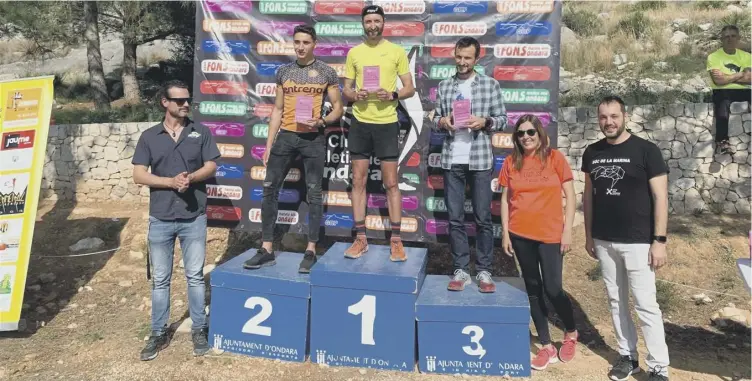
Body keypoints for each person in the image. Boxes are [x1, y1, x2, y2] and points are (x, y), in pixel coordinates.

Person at [582, 96, 670, 381]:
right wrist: (588, 235)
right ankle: (627, 356)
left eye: (614, 116)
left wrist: (659, 240)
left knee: (646, 303)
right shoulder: (592, 152)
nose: (609, 122)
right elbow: (588, 196)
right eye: (604, 117)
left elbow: (660, 197)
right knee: (616, 300)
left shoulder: (647, 151)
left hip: (639, 242)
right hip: (604, 240)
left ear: (625, 116)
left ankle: (658, 367)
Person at [132, 80, 221, 360]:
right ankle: (158, 332)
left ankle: (199, 329)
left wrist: (192, 177)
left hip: (193, 217)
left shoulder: (201, 132)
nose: (185, 105)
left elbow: (212, 165)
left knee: (195, 277)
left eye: (187, 100)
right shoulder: (149, 136)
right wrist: (170, 182)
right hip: (160, 218)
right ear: (165, 102)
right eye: (179, 100)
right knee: (160, 280)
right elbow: (138, 175)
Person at [243, 25, 343, 273]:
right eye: (297, 42)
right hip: (286, 137)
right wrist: (268, 145)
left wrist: (322, 121)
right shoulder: (283, 71)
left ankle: (310, 250)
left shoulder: (326, 72)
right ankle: (267, 249)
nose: (300, 47)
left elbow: (339, 108)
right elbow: (277, 110)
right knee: (269, 189)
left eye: (306, 42)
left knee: (314, 193)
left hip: (313, 138)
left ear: (314, 44)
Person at [499, 115, 578, 370]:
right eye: (521, 133)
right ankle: (546, 344)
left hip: (551, 235)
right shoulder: (511, 162)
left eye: (531, 132)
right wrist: (506, 232)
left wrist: (567, 231)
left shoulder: (555, 158)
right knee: (533, 288)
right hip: (521, 235)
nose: (526, 137)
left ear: (540, 133)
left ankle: (571, 332)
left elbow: (570, 195)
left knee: (553, 288)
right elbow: (504, 199)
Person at [432, 36, 508, 292]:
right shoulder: (444, 86)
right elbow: (435, 119)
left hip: (480, 160)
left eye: (467, 58)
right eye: (458, 56)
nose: (462, 62)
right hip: (452, 158)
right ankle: (461, 269)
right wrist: (443, 122)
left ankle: (484, 271)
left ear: (477, 59)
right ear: (454, 55)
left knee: (483, 218)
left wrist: (484, 121)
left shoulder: (490, 85)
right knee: (455, 219)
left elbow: (503, 119)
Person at [341, 4, 416, 262]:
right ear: (363, 24)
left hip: (386, 123)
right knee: (358, 182)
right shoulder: (354, 53)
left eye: (377, 21)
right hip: (360, 123)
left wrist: (393, 94)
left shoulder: (396, 51)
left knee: (391, 183)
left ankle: (396, 240)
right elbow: (346, 90)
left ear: (383, 23)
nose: (372, 25)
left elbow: (410, 88)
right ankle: (360, 238)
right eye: (368, 21)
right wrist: (354, 95)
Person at [706, 24, 751, 154]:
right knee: (722, 102)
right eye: (726, 37)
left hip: (744, 90)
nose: (729, 39)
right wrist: (739, 74)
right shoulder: (713, 57)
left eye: (733, 36)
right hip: (722, 91)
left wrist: (726, 77)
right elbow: (718, 81)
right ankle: (722, 141)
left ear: (738, 38)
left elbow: (749, 78)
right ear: (721, 39)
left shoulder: (747, 56)